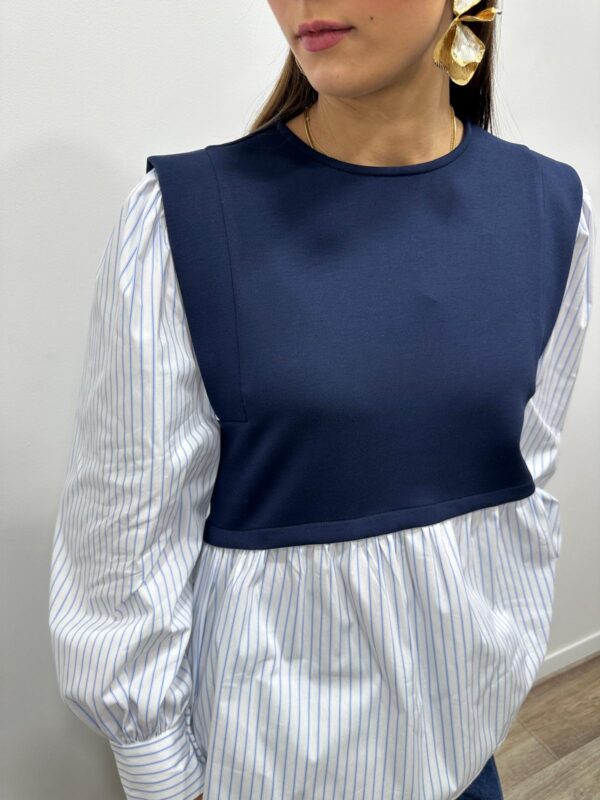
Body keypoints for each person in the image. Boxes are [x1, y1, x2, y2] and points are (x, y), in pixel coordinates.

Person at [48, 2, 595, 799]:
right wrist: (162, 773)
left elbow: (524, 487)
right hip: (260, 774)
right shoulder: (184, 221)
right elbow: (124, 541)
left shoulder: (553, 210)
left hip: (466, 754)